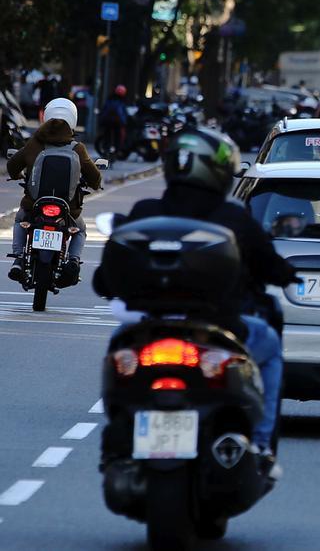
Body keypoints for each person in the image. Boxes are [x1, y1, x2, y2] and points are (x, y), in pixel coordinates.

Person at [95, 127, 295, 473]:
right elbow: (271, 266)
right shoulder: (234, 218)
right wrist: (286, 274)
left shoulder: (145, 211)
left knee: (118, 348)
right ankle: (262, 445)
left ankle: (116, 439)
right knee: (269, 346)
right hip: (219, 330)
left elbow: (105, 278)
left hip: (149, 332)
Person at [7, 98, 102, 282]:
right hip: (68, 208)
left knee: (20, 220)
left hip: (34, 205)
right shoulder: (77, 148)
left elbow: (12, 166)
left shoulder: (34, 143)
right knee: (80, 229)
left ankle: (18, 258)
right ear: (73, 120)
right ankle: (73, 261)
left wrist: (18, 174)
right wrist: (95, 183)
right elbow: (94, 177)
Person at [97, 84, 128, 156]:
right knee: (117, 137)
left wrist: (101, 120)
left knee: (107, 136)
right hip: (117, 123)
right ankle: (116, 152)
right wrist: (124, 123)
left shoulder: (110, 99)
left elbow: (104, 110)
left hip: (108, 122)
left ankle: (106, 150)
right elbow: (121, 113)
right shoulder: (121, 101)